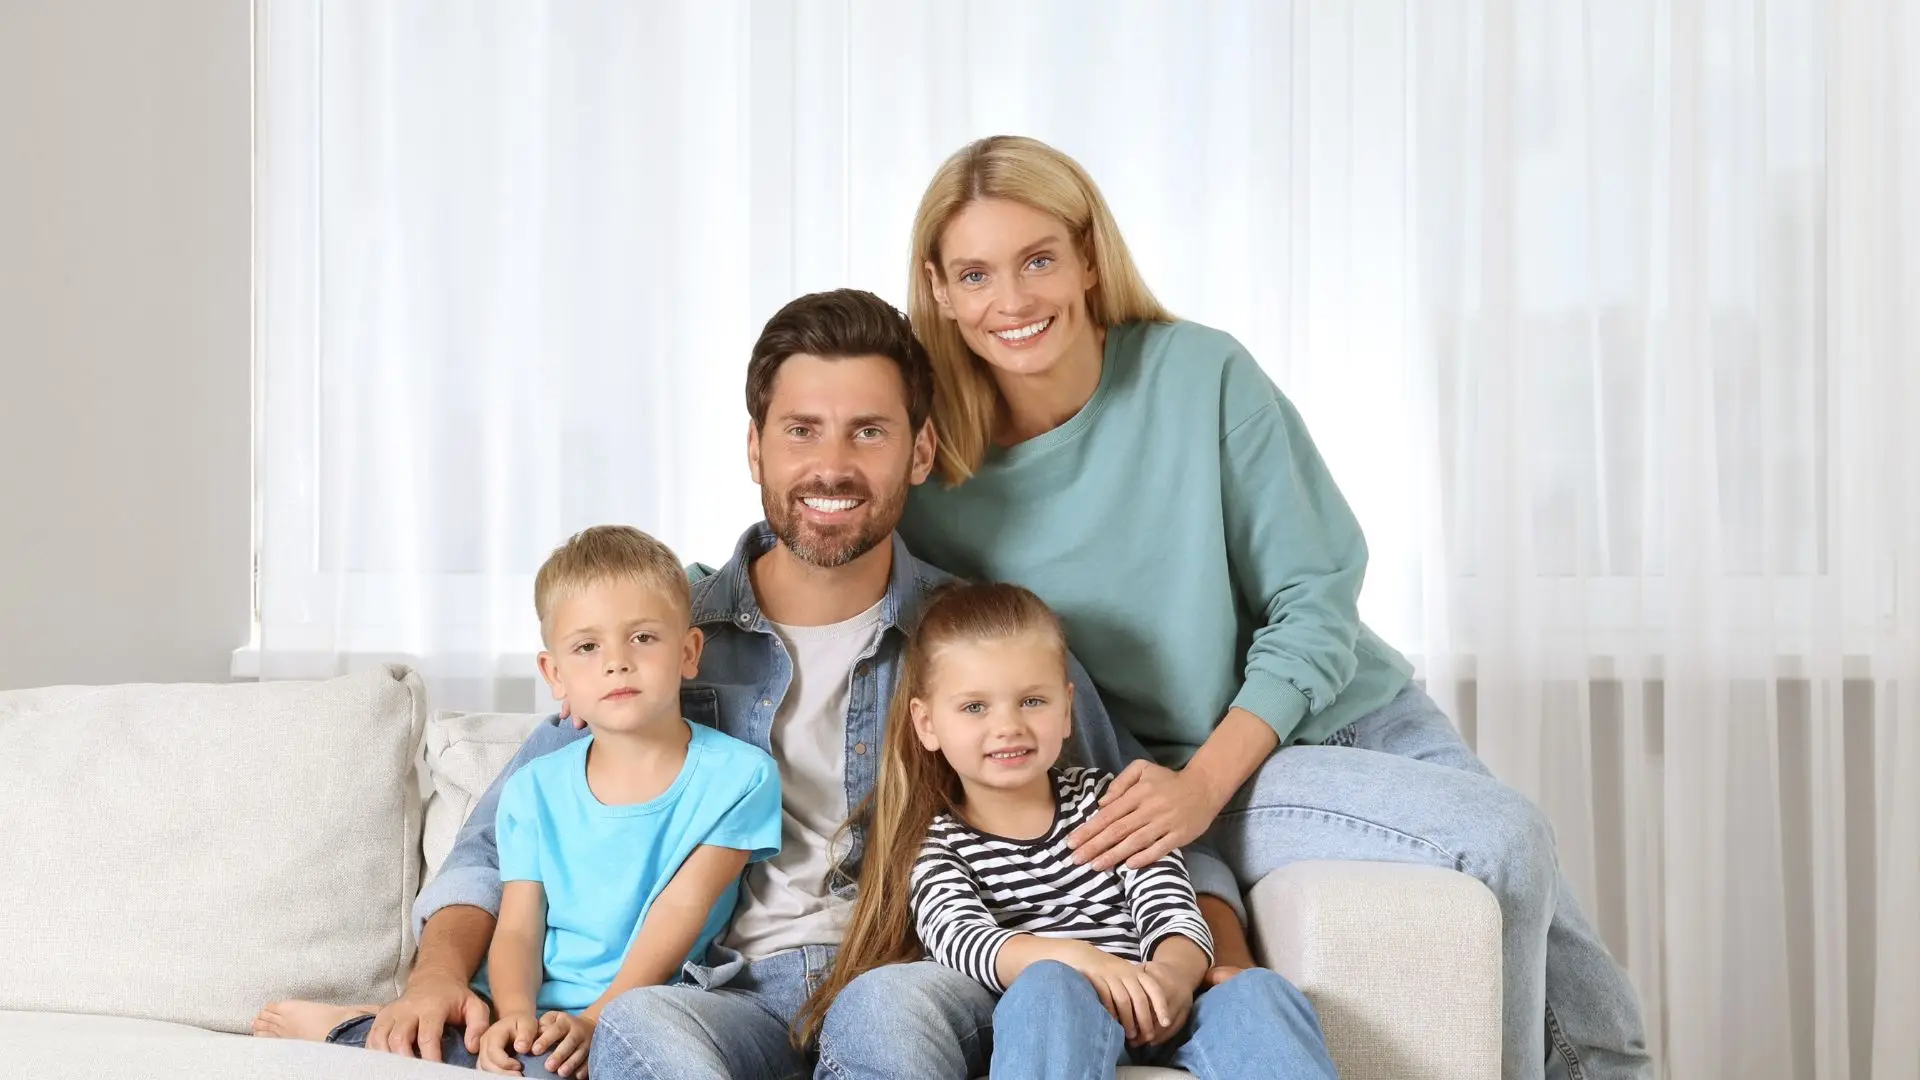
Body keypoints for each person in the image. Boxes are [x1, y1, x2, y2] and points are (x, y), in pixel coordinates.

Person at [260, 289, 1180, 1080]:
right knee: (633, 1026)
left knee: (886, 1016)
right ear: (755, 449)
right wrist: (432, 977)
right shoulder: (667, 633)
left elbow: (1144, 821)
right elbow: (495, 844)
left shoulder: (986, 639)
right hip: (722, 990)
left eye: (869, 431)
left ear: (921, 450)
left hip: (904, 973)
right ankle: (366, 1035)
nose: (832, 464)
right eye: (801, 431)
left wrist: (1202, 956)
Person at [896, 135, 1653, 1080]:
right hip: (1225, 767)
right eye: (975, 274)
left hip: (1354, 716)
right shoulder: (937, 476)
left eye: (1038, 259)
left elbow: (1317, 595)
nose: (1011, 301)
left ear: (1089, 258)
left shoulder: (1199, 374)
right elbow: (825, 534)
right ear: (937, 287)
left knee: (1602, 1025)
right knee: (1500, 840)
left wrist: (1201, 788)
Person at [254, 526, 783, 1079]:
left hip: (648, 1006)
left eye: (643, 638)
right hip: (533, 1002)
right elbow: (519, 927)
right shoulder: (534, 789)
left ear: (689, 652)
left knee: (607, 1058)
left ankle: (359, 1032)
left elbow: (681, 914)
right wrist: (515, 1019)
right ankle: (364, 1030)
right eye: (587, 646)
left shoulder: (740, 777)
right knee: (507, 1054)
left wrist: (598, 1020)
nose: (616, 663)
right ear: (555, 674)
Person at [794, 581, 1337, 1080]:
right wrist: (1081, 962)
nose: (1007, 725)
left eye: (1032, 701)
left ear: (1067, 709)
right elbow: (966, 941)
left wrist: (1172, 977)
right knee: (1051, 988)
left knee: (1261, 992)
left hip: (1155, 1001)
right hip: (1052, 1020)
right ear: (928, 724)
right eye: (975, 707)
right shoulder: (938, 843)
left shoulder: (1110, 801)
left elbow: (1171, 906)